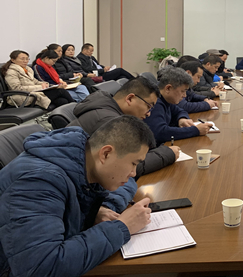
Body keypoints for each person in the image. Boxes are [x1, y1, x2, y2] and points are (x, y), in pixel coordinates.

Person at [0, 116, 154, 277]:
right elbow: (42, 268)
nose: (133, 173)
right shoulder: (37, 182)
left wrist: (102, 208)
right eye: (133, 163)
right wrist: (122, 227)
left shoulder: (84, 160)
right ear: (106, 154)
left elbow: (128, 183)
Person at [144, 67, 211, 146]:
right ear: (168, 88)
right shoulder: (155, 102)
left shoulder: (166, 99)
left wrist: (181, 119)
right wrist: (196, 130)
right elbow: (161, 133)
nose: (184, 95)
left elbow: (180, 111)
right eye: (182, 91)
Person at [1, 50, 74, 109]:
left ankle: (65, 118)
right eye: (22, 59)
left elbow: (35, 81)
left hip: (34, 93)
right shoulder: (11, 72)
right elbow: (17, 88)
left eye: (27, 59)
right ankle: (76, 108)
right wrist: (40, 87)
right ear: (13, 60)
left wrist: (47, 85)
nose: (25, 61)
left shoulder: (27, 70)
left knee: (62, 101)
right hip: (23, 96)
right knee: (61, 91)